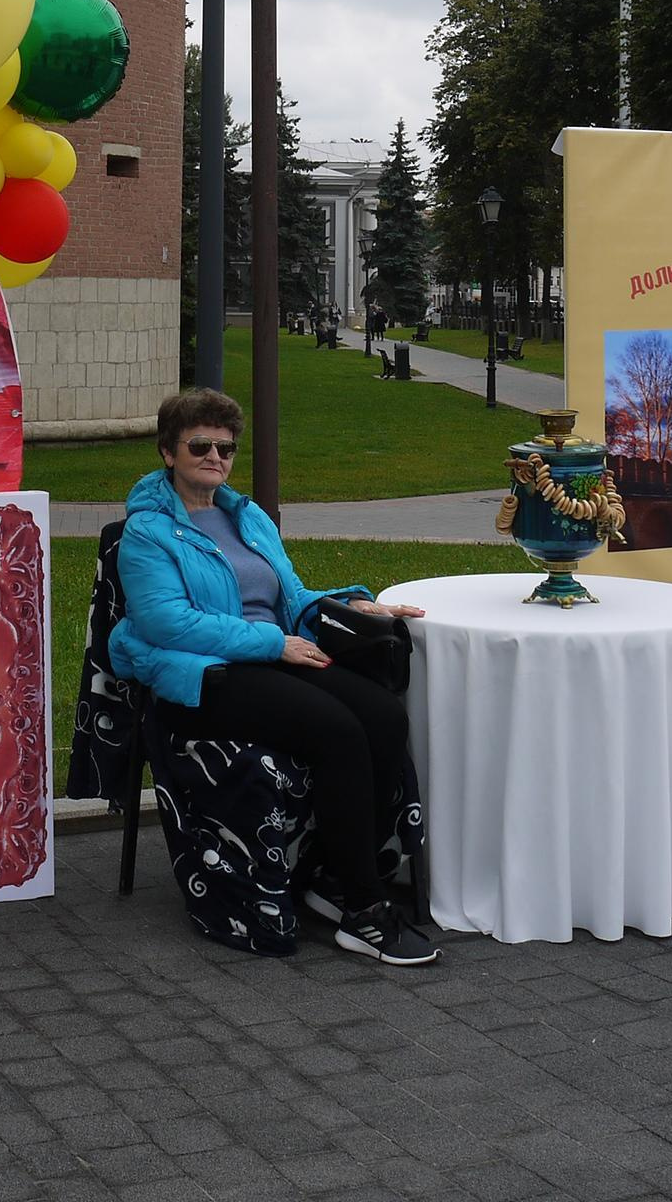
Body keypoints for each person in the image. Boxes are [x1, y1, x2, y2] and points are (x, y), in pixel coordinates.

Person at [109, 388, 440, 966]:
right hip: (204, 674)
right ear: (168, 451)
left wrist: (357, 604)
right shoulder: (147, 532)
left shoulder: (247, 517)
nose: (216, 457)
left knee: (384, 715)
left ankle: (334, 876)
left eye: (227, 448)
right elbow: (165, 622)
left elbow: (287, 596)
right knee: (335, 730)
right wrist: (271, 644)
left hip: (274, 653)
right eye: (201, 445)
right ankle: (363, 912)